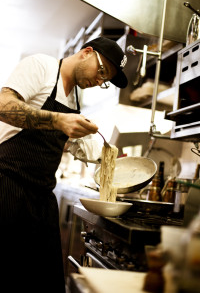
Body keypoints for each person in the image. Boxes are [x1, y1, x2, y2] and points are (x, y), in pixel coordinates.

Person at [0, 36, 128, 292]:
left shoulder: (75, 101)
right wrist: (58, 121)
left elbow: (52, 141)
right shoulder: (42, 67)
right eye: (101, 71)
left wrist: (91, 149)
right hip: (7, 186)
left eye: (105, 81)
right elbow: (3, 105)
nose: (99, 81)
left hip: (41, 196)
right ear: (86, 52)